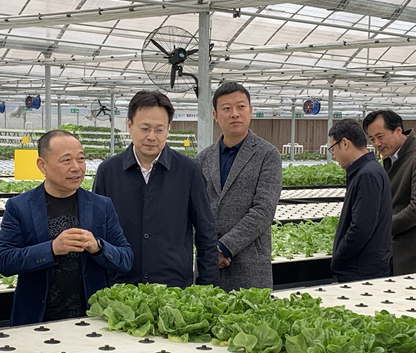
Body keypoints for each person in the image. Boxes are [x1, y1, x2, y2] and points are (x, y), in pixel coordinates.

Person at [0, 130, 133, 325]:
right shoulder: (19, 207)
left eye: (81, 159)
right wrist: (52, 249)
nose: (76, 167)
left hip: (93, 318)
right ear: (42, 165)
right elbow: (5, 261)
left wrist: (98, 247)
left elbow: (126, 259)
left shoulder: (101, 206)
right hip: (36, 319)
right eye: (66, 160)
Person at [93, 90, 218, 288]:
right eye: (145, 129)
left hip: (174, 289)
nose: (151, 137)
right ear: (129, 125)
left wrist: (206, 287)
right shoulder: (108, 172)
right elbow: (97, 232)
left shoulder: (188, 171)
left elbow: (206, 234)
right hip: (121, 287)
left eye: (159, 130)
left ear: (168, 129)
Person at [195, 82, 281, 291]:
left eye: (241, 107)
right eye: (226, 108)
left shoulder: (267, 155)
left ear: (250, 111)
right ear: (215, 115)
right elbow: (194, 210)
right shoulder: (202, 159)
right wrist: (209, 249)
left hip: (249, 266)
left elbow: (263, 210)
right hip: (209, 266)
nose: (234, 114)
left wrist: (224, 247)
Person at [362, 110, 416, 275]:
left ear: (398, 130)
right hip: (397, 254)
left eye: (380, 136)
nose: (377, 144)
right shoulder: (391, 159)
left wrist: (384, 228)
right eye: (372, 139)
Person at [327, 119, 392, 282]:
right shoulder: (368, 170)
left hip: (361, 272)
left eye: (333, 148)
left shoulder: (367, 175)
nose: (333, 155)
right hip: (364, 269)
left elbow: (361, 228)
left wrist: (339, 256)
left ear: (345, 143)